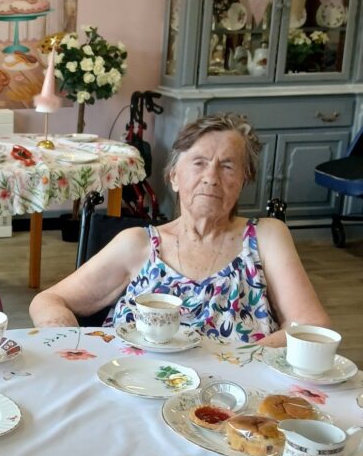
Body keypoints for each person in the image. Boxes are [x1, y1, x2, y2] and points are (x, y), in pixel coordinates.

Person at [29, 113, 330, 345]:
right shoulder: (138, 244)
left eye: (227, 166)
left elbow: (313, 327)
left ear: (242, 181)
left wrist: (236, 360)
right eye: (199, 163)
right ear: (174, 177)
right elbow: (48, 301)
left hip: (234, 399)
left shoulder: (265, 236)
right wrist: (73, 346)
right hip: (135, 391)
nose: (211, 177)